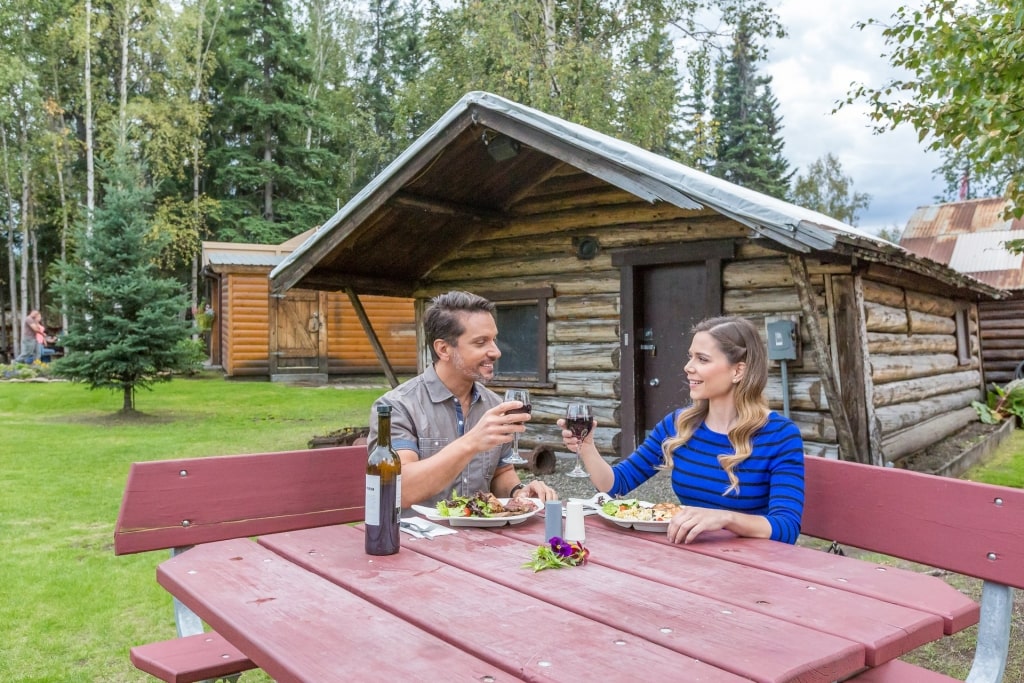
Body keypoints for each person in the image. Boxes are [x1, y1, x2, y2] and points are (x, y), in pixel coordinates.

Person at [559, 315, 805, 544]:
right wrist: (588, 448)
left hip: (754, 567)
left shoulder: (779, 435)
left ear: (738, 371)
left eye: (703, 359)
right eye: (690, 357)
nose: (688, 367)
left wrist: (725, 518)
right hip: (689, 557)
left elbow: (787, 528)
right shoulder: (679, 424)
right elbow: (616, 485)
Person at [367, 290, 558, 508]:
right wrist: (471, 442)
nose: (496, 352)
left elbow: (501, 472)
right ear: (443, 349)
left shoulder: (494, 405)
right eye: (480, 342)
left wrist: (519, 492)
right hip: (416, 538)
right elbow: (400, 490)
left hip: (481, 537)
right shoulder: (396, 407)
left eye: (494, 340)